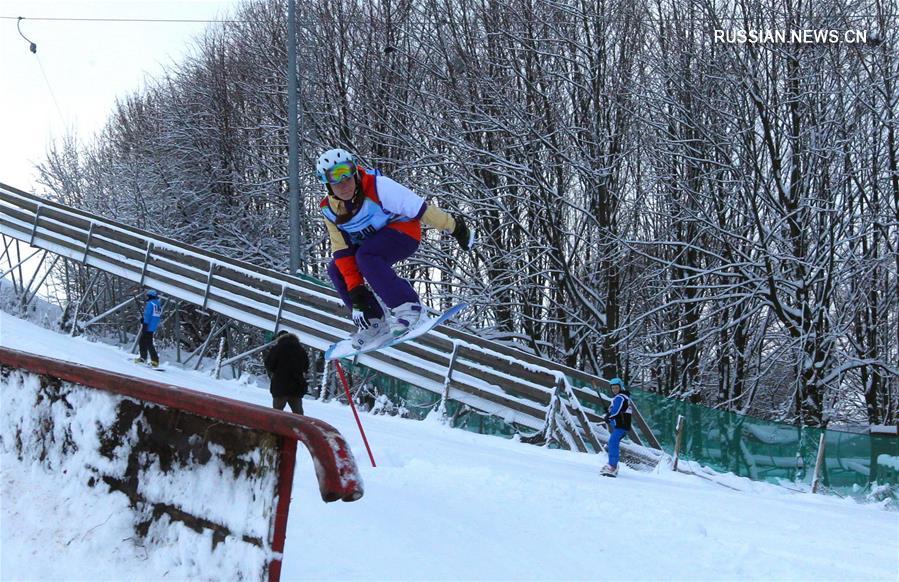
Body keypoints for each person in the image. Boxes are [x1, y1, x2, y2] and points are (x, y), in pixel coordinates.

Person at [317, 148, 476, 350]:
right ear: (327, 183)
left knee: (366, 255)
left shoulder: (378, 187)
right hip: (372, 243)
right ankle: (374, 321)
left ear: (355, 171)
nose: (344, 183)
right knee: (336, 268)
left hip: (404, 233)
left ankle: (410, 308)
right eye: (335, 178)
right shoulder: (329, 211)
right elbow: (342, 252)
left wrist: (456, 228)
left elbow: (420, 209)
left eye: (347, 173)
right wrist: (357, 294)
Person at [263, 330, 309, 414]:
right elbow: (306, 367)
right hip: (296, 386)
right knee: (298, 414)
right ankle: (297, 427)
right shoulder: (301, 350)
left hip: (280, 385)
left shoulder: (277, 348)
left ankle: (276, 427)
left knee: (277, 413)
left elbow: (269, 364)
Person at [601, 377, 632, 477]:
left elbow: (616, 411)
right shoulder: (620, 397)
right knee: (613, 442)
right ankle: (613, 465)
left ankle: (612, 466)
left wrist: (609, 415)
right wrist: (609, 414)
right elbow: (616, 411)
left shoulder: (621, 397)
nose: (614, 390)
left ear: (621, 387)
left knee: (613, 442)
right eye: (613, 388)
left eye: (616, 388)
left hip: (622, 425)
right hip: (620, 425)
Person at [134, 289, 162, 367]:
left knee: (147, 342)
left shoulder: (150, 304)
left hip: (148, 326)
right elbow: (156, 317)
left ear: (150, 296)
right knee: (143, 341)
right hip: (153, 326)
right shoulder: (158, 305)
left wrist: (144, 323)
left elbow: (148, 315)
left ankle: (154, 360)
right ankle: (144, 358)